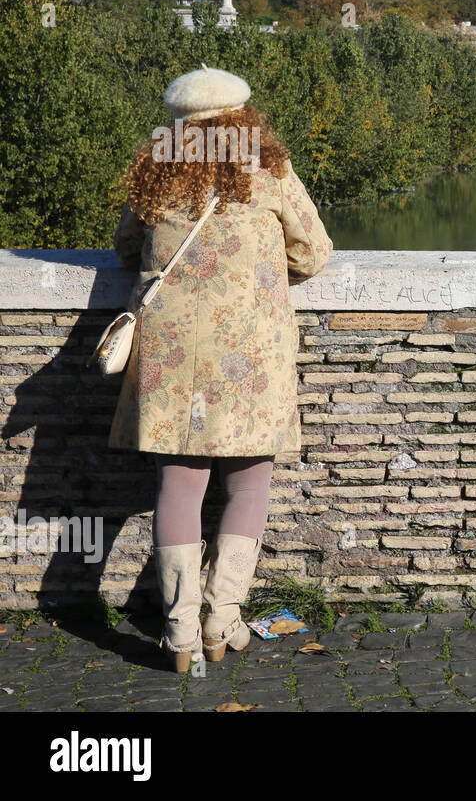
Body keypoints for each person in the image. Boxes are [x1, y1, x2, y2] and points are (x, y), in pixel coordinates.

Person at [108, 66, 333, 672]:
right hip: (250, 352)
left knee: (178, 484)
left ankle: (178, 634)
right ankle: (221, 619)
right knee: (248, 481)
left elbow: (128, 251)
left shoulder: (155, 179)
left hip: (172, 352)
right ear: (244, 119)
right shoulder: (270, 172)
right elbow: (314, 253)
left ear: (177, 125)